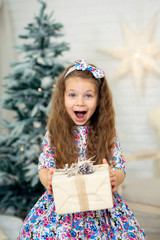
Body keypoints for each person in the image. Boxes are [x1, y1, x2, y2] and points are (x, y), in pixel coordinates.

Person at [17, 59, 147, 239]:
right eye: (72, 95)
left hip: (100, 205)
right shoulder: (54, 134)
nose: (80, 102)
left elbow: (120, 167)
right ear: (62, 98)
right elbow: (44, 165)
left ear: (99, 99)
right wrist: (48, 177)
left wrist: (113, 177)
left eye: (88, 95)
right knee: (46, 233)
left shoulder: (108, 133)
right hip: (64, 202)